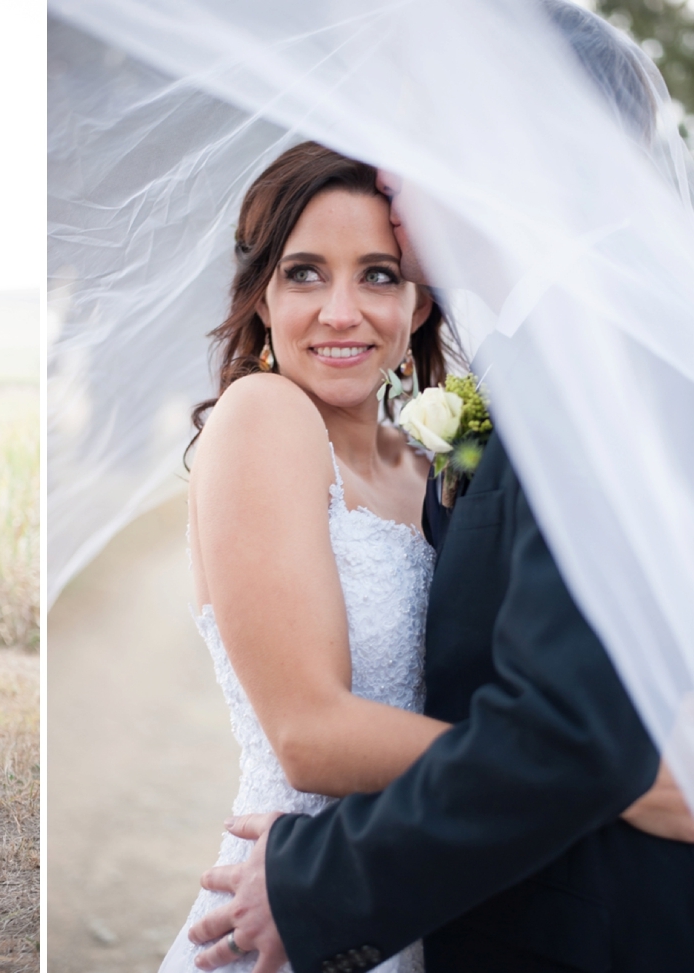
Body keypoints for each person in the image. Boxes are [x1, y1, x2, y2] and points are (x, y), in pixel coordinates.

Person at [182, 8, 694, 973]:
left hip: (503, 905)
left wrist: (593, 766)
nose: (389, 163)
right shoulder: (279, 417)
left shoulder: (591, 369)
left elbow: (574, 718)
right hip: (378, 891)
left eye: (376, 272)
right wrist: (613, 775)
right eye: (302, 274)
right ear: (260, 294)